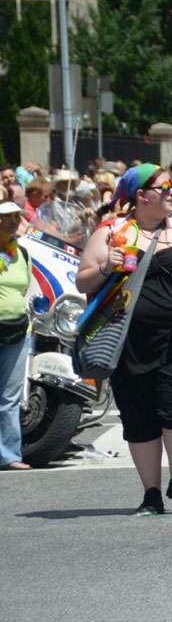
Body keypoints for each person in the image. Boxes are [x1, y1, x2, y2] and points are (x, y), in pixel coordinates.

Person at [75, 164, 172, 514]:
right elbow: (83, 282)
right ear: (141, 195)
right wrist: (106, 267)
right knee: (138, 415)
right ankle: (151, 493)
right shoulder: (112, 231)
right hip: (127, 337)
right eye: (164, 187)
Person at [0, 202, 32, 471]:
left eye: (15, 217)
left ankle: (9, 455)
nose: (12, 222)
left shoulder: (21, 253)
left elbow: (23, 290)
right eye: (5, 217)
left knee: (10, 397)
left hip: (17, 331)